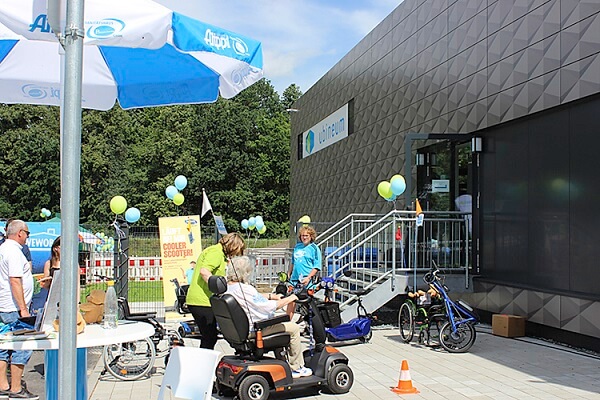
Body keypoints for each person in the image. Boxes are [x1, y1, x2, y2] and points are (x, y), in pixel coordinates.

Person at [225, 256, 312, 378]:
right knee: (293, 327)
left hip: (240, 331)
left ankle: (283, 362)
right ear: (245, 272)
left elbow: (254, 298)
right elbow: (269, 307)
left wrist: (272, 296)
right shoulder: (245, 289)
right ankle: (296, 367)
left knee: (281, 324)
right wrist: (292, 298)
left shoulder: (229, 288)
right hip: (256, 330)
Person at [186, 232, 245, 349]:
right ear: (233, 246)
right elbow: (204, 271)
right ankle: (204, 364)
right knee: (210, 336)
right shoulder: (216, 253)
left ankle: (205, 362)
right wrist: (217, 286)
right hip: (201, 301)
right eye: (236, 251)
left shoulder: (219, 254)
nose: (235, 254)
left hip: (205, 301)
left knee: (210, 336)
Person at [0, 220, 38, 399]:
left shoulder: (3, 249)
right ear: (20, 233)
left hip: (5, 305)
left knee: (4, 346)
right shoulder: (14, 252)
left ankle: (3, 385)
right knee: (21, 346)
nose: (28, 237)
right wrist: (23, 309)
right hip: (14, 307)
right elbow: (15, 280)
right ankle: (15, 388)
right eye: (28, 233)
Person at [286, 225, 322, 319]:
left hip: (306, 279)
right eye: (302, 235)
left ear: (311, 237)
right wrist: (289, 273)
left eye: (306, 235)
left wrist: (309, 277)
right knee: (291, 300)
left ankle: (311, 322)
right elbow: (293, 261)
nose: (304, 237)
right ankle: (288, 322)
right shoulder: (297, 247)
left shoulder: (314, 248)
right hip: (294, 278)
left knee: (307, 302)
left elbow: (317, 266)